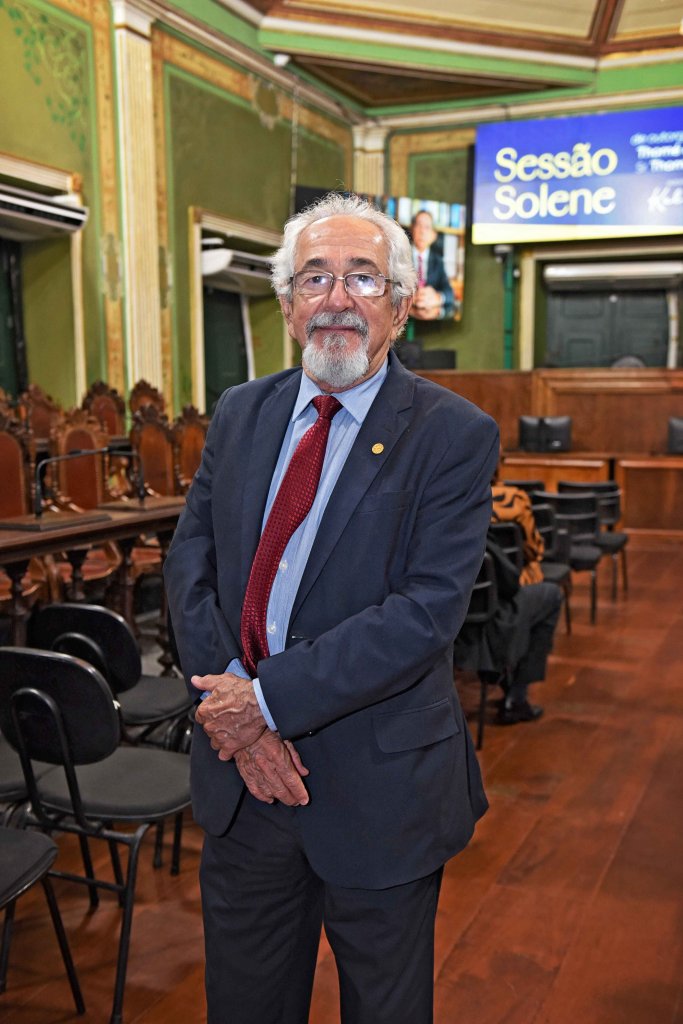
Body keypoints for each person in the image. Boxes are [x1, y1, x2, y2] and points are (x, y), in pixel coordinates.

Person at [164, 192, 499, 1024]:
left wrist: (263, 704)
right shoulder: (239, 412)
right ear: (287, 305)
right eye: (314, 277)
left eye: (363, 277)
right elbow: (190, 564)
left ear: (400, 305)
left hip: (379, 790)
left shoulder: (452, 434)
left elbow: (424, 612)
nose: (337, 298)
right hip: (242, 784)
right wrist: (238, 719)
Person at [409, 209, 455, 320]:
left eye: (427, 227)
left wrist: (437, 297)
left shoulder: (438, 261)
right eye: (419, 225)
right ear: (412, 229)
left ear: (433, 235)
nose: (422, 231)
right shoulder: (400, 256)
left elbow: (450, 293)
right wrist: (407, 298)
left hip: (430, 317)